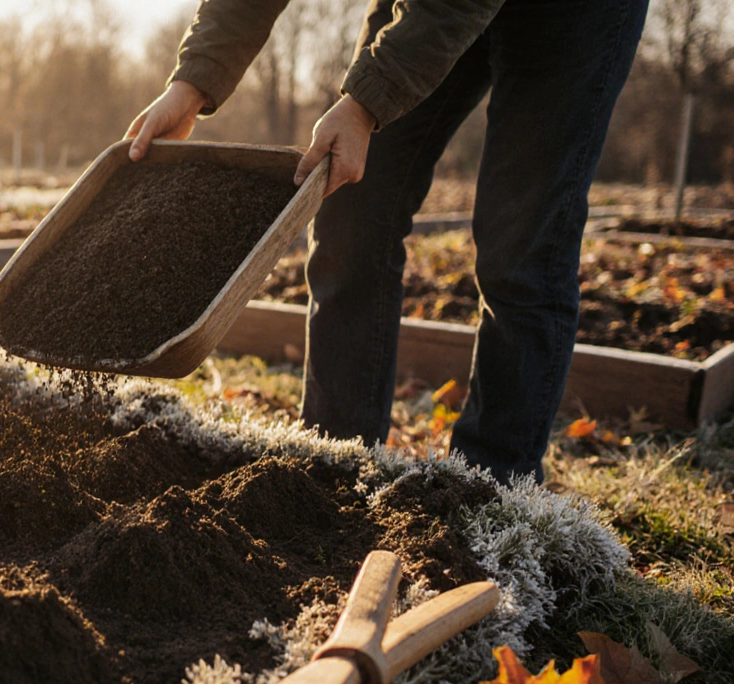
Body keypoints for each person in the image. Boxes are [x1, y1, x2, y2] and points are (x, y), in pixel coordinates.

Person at [125, 0, 648, 483]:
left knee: (523, 246)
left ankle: (491, 487)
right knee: (352, 204)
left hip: (574, 15)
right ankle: (337, 457)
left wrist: (365, 104)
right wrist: (192, 83)